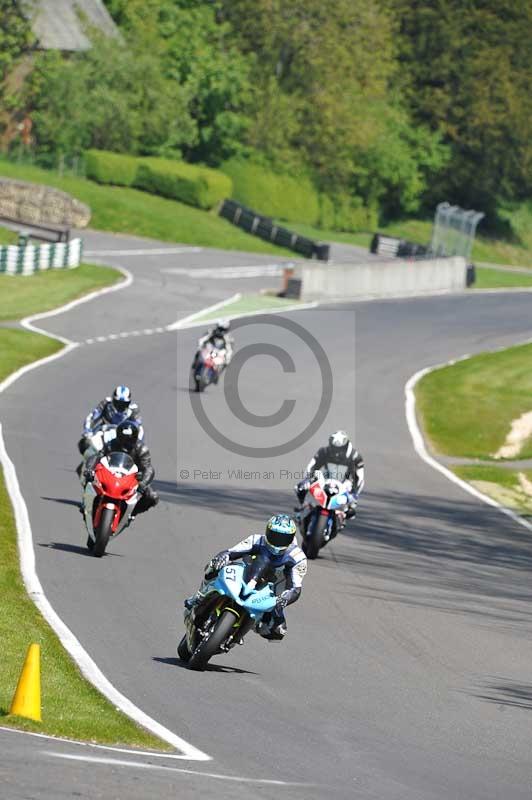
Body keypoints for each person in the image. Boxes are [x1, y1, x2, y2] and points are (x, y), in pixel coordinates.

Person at [184, 514, 306, 641]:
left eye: (283, 538)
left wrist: (285, 598)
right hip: (249, 573)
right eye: (275, 536)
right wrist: (223, 557)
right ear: (267, 532)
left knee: (278, 631)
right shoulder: (257, 540)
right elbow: (232, 552)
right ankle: (198, 596)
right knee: (214, 565)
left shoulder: (297, 557)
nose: (278, 541)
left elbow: (296, 587)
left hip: (274, 586)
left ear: (291, 538)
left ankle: (250, 625)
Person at [83, 420, 158, 519]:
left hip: (133, 478)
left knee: (151, 497)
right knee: (90, 479)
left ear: (135, 439)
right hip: (110, 473)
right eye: (122, 440)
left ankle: (131, 513)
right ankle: (87, 505)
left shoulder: (142, 449)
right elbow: (98, 456)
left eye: (129, 441)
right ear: (118, 437)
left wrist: (143, 483)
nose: (125, 444)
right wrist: (89, 469)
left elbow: (148, 468)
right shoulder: (111, 444)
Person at [295, 431, 364, 522]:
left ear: (346, 446)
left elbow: (359, 477)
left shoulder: (355, 457)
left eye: (340, 449)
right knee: (299, 488)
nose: (336, 452)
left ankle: (343, 513)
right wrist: (307, 479)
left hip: (344, 483)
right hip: (325, 479)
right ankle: (304, 506)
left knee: (351, 505)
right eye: (334, 448)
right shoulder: (324, 451)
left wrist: (354, 494)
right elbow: (311, 466)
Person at [78, 386, 142, 455]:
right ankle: (89, 462)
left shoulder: (133, 410)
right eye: (118, 403)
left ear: (129, 403)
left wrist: (138, 440)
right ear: (113, 400)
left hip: (124, 437)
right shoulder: (106, 403)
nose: (120, 406)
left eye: (124, 404)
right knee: (85, 444)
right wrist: (88, 431)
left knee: (136, 452)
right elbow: (91, 417)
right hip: (103, 432)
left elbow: (138, 427)